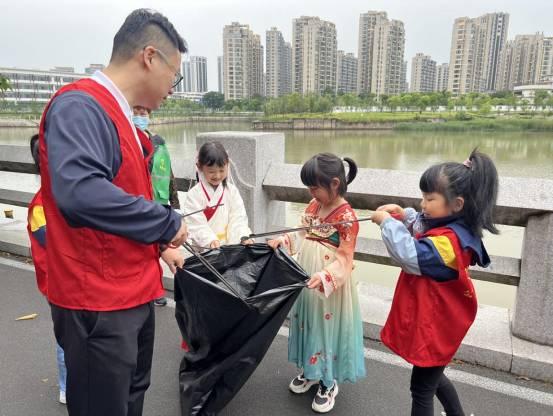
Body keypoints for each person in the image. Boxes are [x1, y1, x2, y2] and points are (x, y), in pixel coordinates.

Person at [37, 9, 188, 416]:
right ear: (149, 57)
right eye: (174, 75)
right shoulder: (80, 106)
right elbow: (80, 194)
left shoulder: (122, 115)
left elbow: (122, 198)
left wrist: (160, 243)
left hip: (132, 291)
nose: (172, 89)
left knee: (130, 399)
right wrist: (166, 222)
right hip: (98, 302)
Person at [370, 149, 499, 416]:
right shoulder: (455, 227)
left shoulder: (448, 243)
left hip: (436, 325)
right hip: (439, 321)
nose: (422, 204)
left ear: (458, 204)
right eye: (423, 197)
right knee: (434, 376)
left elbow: (411, 255)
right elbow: (423, 224)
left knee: (422, 389)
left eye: (429, 198)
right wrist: (402, 215)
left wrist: (386, 224)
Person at [268, 153, 366, 413]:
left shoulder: (347, 217)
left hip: (329, 285)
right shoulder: (313, 205)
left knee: (327, 328)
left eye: (315, 187)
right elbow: (302, 233)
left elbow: (345, 258)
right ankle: (310, 370)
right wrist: (284, 241)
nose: (311, 192)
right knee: (308, 322)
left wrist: (325, 277)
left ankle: (328, 380)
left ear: (334, 184)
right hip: (306, 275)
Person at [26, 134, 67, 405]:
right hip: (59, 285)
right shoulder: (40, 205)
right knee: (66, 339)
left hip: (79, 282)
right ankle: (67, 385)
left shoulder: (68, 197)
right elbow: (55, 245)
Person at [132, 105, 180, 307]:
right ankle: (148, 290)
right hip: (141, 204)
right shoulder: (129, 142)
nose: (140, 117)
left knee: (158, 247)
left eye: (144, 113)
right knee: (144, 248)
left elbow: (168, 173)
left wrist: (175, 204)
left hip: (159, 202)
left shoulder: (158, 142)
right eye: (136, 113)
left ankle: (155, 289)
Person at [183, 141, 253, 249]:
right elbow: (195, 225)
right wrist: (210, 240)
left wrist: (242, 236)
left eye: (221, 170)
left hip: (228, 248)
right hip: (205, 249)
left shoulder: (232, 191)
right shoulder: (194, 195)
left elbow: (238, 219)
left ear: (227, 165)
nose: (217, 175)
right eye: (211, 171)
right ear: (200, 167)